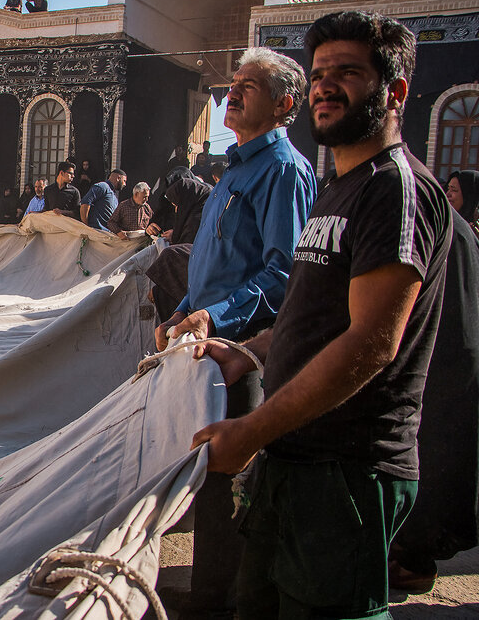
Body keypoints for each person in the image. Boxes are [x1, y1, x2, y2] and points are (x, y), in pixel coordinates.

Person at [192, 10, 452, 620]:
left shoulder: (396, 190)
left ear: (395, 92)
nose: (326, 86)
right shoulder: (339, 185)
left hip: (349, 470)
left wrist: (252, 430)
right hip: (295, 455)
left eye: (349, 73)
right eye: (320, 73)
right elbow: (312, 314)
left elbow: (370, 343)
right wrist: (249, 352)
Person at [155, 46, 316, 620]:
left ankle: (217, 604)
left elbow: (283, 273)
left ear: (285, 104)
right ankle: (207, 591)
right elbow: (214, 261)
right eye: (234, 83)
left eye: (249, 85)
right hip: (206, 341)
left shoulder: (283, 171)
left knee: (232, 478)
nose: (233, 92)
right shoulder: (235, 167)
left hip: (244, 354)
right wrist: (182, 312)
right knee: (209, 472)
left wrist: (216, 319)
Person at [389, 198, 479, 594]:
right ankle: (413, 555)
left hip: (440, 358)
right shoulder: (452, 224)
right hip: (449, 352)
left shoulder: (423, 218)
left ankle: (413, 559)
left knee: (431, 459)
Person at [165, 177, 212, 245]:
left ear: (184, 202)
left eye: (177, 206)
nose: (176, 210)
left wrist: (175, 237)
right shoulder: (204, 207)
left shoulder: (195, 221)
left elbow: (185, 247)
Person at [445, 169, 479, 238]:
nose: (447, 194)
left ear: (469, 196)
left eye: (454, 190)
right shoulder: (443, 223)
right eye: (448, 189)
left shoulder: (475, 230)